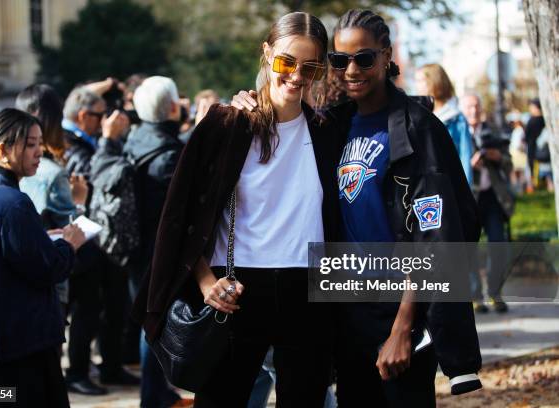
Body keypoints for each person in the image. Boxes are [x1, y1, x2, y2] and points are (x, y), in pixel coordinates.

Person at [233, 9, 483, 406]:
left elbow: (439, 238)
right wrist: (249, 103)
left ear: (386, 56)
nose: (351, 69)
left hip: (401, 310)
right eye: (339, 59)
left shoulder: (417, 129)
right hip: (346, 312)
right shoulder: (332, 125)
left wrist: (404, 327)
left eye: (364, 58)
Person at [133, 11, 336, 408]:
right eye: (286, 62)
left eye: (310, 68)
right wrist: (207, 282)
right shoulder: (226, 126)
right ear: (267, 54)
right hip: (238, 288)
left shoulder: (328, 131)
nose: (296, 76)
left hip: (309, 289)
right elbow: (181, 215)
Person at [0, 108, 86, 407]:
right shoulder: (11, 202)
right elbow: (47, 268)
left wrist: (44, 239)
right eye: (30, 144)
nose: (39, 152)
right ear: (2, 149)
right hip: (16, 348)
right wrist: (69, 244)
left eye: (39, 143)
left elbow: (3, 254)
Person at [93, 75, 192, 408]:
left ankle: (157, 392)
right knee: (157, 324)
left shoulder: (134, 139)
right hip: (159, 253)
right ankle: (153, 396)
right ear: (173, 107)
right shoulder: (172, 152)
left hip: (135, 249)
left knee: (152, 321)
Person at [61, 86, 135, 396]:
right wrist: (108, 141)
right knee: (85, 311)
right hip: (81, 243)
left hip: (96, 242)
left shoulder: (85, 142)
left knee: (104, 308)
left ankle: (109, 366)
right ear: (83, 116)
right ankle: (77, 371)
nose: (106, 119)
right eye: (100, 114)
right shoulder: (73, 146)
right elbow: (94, 186)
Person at [17, 84, 88, 314]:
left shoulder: (5, 169)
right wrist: (79, 201)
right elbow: (72, 231)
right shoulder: (51, 173)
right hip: (50, 281)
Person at [461, 93, 514, 313]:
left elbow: (509, 163)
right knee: (468, 249)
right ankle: (475, 296)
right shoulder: (458, 133)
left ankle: (495, 293)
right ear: (463, 110)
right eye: (469, 107)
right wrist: (469, 164)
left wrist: (497, 157)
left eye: (476, 106)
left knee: (498, 245)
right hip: (469, 199)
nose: (474, 110)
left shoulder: (492, 131)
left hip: (492, 198)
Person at [415, 63, 473, 184]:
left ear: (434, 82)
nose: (417, 86)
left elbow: (465, 157)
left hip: (450, 186)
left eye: (420, 81)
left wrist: (465, 194)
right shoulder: (418, 115)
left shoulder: (457, 119)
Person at [524, 98, 545, 188]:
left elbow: (527, 134)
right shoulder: (543, 119)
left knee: (532, 165)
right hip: (539, 147)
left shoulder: (533, 120)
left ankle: (533, 184)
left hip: (533, 146)